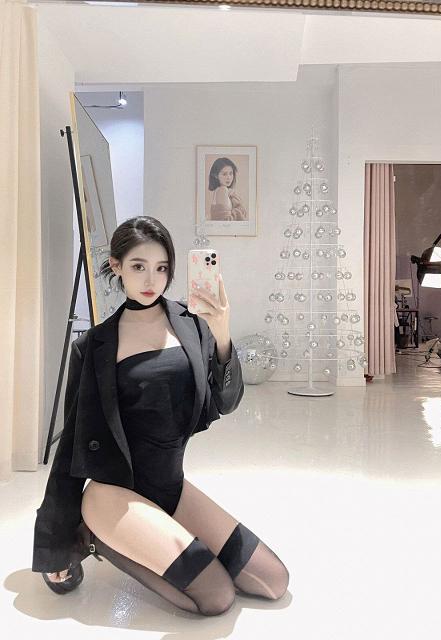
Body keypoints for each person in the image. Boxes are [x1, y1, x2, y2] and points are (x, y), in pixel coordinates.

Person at [32, 216, 289, 616]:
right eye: (138, 266)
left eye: (161, 267)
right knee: (217, 597)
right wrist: (54, 543)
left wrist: (221, 331)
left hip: (171, 489)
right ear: (116, 266)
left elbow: (227, 401)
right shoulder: (94, 346)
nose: (151, 279)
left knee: (274, 581)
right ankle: (94, 536)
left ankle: (157, 535)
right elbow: (70, 448)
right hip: (114, 496)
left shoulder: (191, 324)